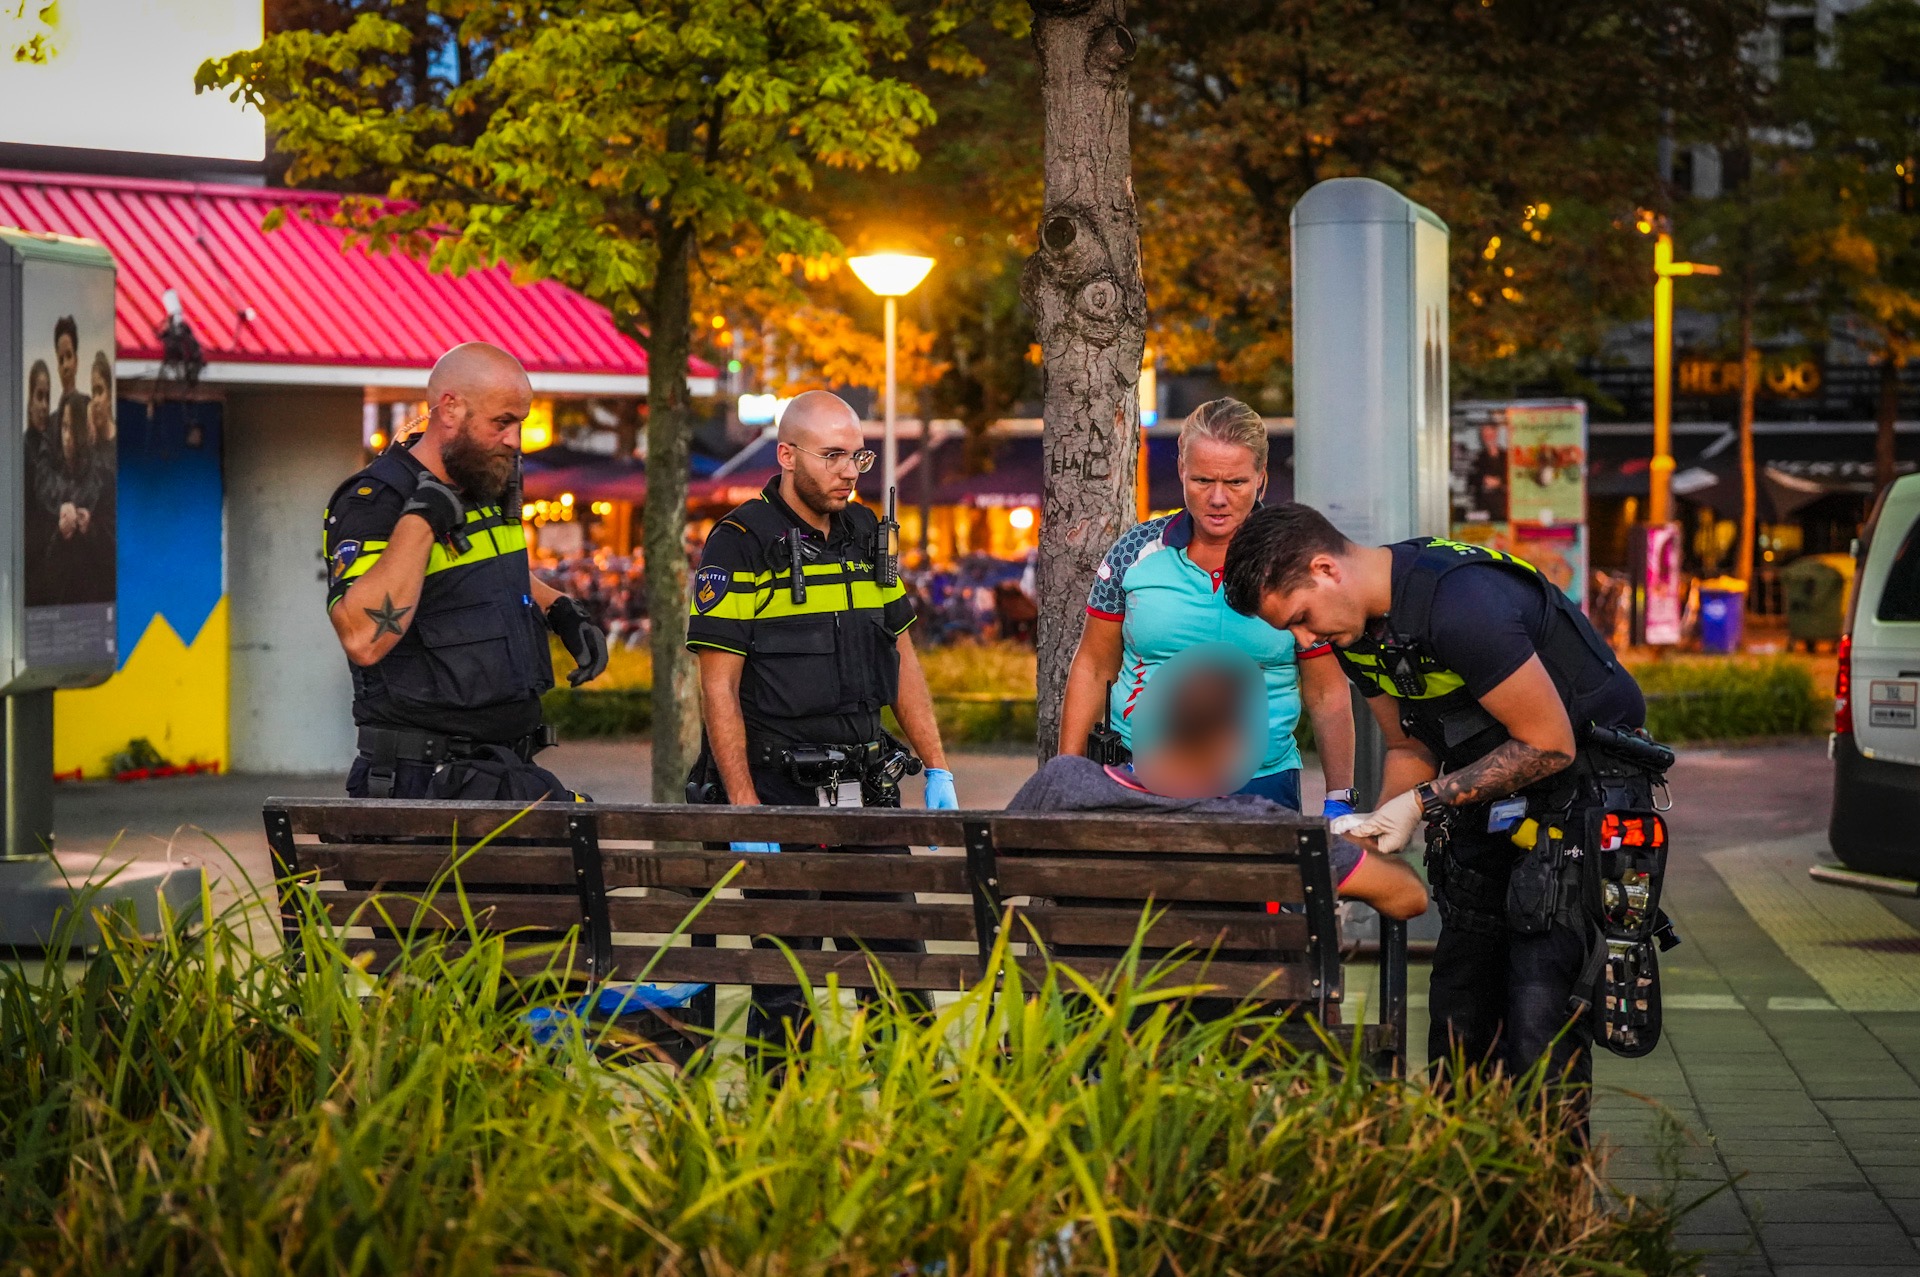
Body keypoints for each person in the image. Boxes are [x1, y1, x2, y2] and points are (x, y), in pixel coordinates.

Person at [1222, 503, 1666, 1138]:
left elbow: (1550, 744)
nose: (1303, 642)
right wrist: (1381, 833)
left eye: (1300, 618)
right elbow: (1409, 748)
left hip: (1585, 798)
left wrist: (1422, 804)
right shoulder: (1358, 634)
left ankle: (1551, 1215)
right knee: (1459, 1022)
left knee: (1541, 1022)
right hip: (1486, 806)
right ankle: (1464, 1205)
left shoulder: (1460, 602)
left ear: (1326, 568)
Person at [686, 389, 958, 1054]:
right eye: (833, 455)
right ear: (786, 455)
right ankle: (780, 1130)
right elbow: (716, 687)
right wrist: (746, 808)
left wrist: (938, 765)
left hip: (868, 792)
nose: (848, 471)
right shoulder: (741, 542)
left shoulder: (868, 535)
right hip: (779, 794)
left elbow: (901, 656)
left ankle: (903, 1137)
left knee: (901, 985)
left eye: (857, 456)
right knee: (785, 1000)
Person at [322, 342, 608, 799]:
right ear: (450, 409)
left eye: (520, 423)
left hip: (503, 771)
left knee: (584, 850)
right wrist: (420, 520)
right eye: (502, 422)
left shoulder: (485, 478)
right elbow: (361, 637)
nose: (515, 440)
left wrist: (560, 610)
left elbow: (478, 575)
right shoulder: (378, 501)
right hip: (425, 784)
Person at [1060, 398, 1356, 817]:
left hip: (1261, 779)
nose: (1218, 498)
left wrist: (1340, 797)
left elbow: (1326, 691)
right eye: (1202, 480)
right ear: (1182, 471)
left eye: (1235, 482)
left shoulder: (1298, 564)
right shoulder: (1136, 552)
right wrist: (1066, 773)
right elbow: (1092, 665)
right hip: (1143, 772)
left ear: (1262, 480)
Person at [1011, 651, 1428, 922]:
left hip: (1087, 1014)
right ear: (1235, 742)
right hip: (1225, 1027)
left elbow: (995, 866)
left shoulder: (1063, 784)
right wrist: (1360, 846)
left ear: (1149, 715)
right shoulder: (1262, 825)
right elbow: (1408, 897)